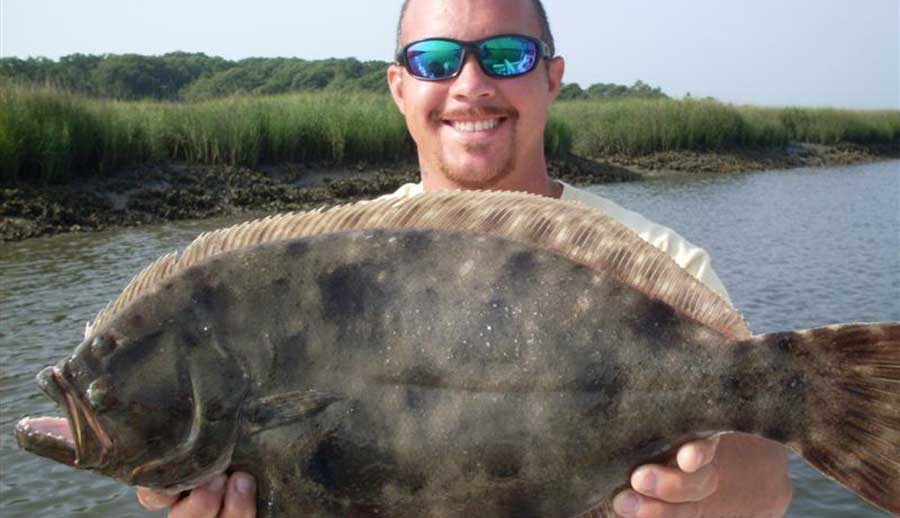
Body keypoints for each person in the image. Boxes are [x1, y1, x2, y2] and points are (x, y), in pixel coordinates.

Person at [137, 1, 793, 516]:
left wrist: (700, 494)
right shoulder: (334, 261)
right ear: (398, 87)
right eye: (435, 60)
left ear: (552, 79)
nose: (470, 84)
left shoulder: (658, 261)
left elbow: (768, 488)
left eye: (506, 56)